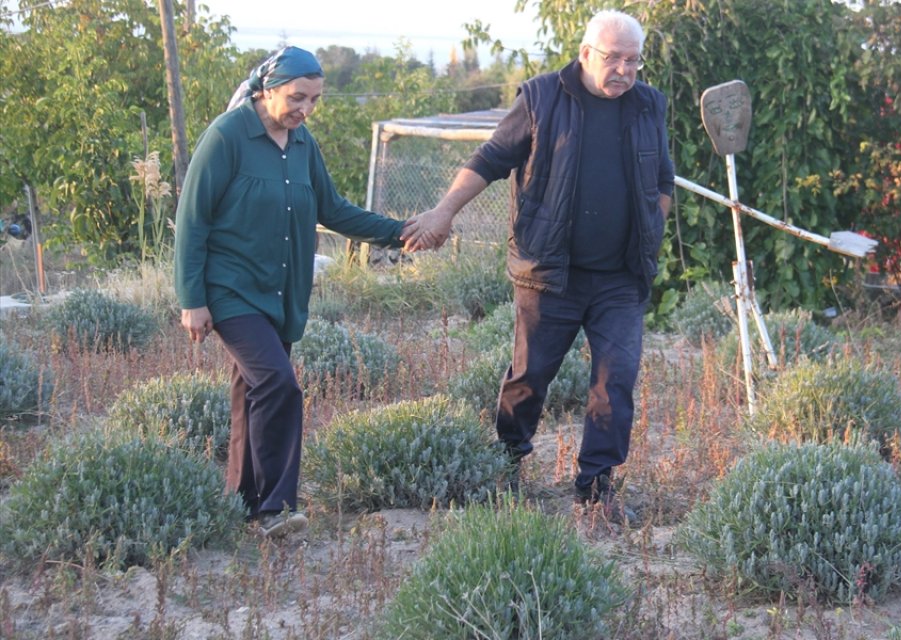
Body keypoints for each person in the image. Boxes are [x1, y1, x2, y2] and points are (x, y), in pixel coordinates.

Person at [402, 10, 674, 522]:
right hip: (550, 273)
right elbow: (488, 160)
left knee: (616, 379)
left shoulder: (648, 104)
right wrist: (443, 211)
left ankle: (596, 487)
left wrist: (651, 232)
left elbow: (663, 180)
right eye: (613, 58)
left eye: (633, 60)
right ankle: (507, 463)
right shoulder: (543, 97)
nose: (623, 70)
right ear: (586, 53)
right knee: (530, 376)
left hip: (621, 277)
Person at [175, 46, 416, 538]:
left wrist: (400, 231)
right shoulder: (226, 137)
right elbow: (191, 220)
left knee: (251, 390)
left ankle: (239, 506)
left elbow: (335, 209)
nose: (305, 109)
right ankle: (275, 510)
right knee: (278, 384)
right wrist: (191, 299)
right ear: (267, 90)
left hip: (279, 294)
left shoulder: (303, 144)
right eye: (297, 97)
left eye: (314, 100)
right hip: (230, 291)